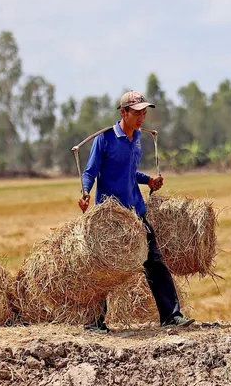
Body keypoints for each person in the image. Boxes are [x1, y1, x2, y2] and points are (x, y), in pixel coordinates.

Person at [79, 90, 194, 332]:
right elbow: (90, 171)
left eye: (144, 113)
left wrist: (148, 181)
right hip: (111, 216)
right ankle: (95, 322)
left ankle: (171, 317)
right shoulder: (106, 139)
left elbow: (129, 172)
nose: (142, 117)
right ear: (124, 113)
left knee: (154, 262)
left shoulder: (138, 137)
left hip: (136, 211)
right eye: (137, 113)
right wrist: (86, 192)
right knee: (104, 266)